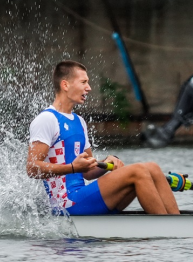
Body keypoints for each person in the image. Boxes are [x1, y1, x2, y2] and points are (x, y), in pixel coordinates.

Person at [26, 61, 180, 216]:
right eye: (84, 82)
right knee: (138, 171)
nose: (89, 88)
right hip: (65, 203)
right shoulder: (47, 119)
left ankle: (176, 223)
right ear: (65, 85)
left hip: (81, 196)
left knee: (152, 168)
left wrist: (106, 162)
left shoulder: (79, 122)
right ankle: (167, 228)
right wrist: (72, 167)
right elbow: (32, 168)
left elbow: (88, 172)